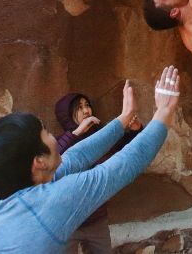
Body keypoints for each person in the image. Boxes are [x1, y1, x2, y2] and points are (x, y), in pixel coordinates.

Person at [0, 66, 182, 253]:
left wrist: (123, 119)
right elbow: (121, 167)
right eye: (46, 133)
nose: (53, 137)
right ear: (38, 162)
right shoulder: (50, 203)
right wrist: (164, 111)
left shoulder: (8, 194)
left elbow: (76, 156)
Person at [54, 91, 143, 254]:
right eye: (79, 107)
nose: (86, 111)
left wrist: (135, 131)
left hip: (97, 219)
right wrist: (75, 134)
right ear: (66, 115)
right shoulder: (59, 141)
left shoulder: (102, 136)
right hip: (66, 223)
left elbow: (126, 151)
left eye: (87, 105)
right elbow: (53, 164)